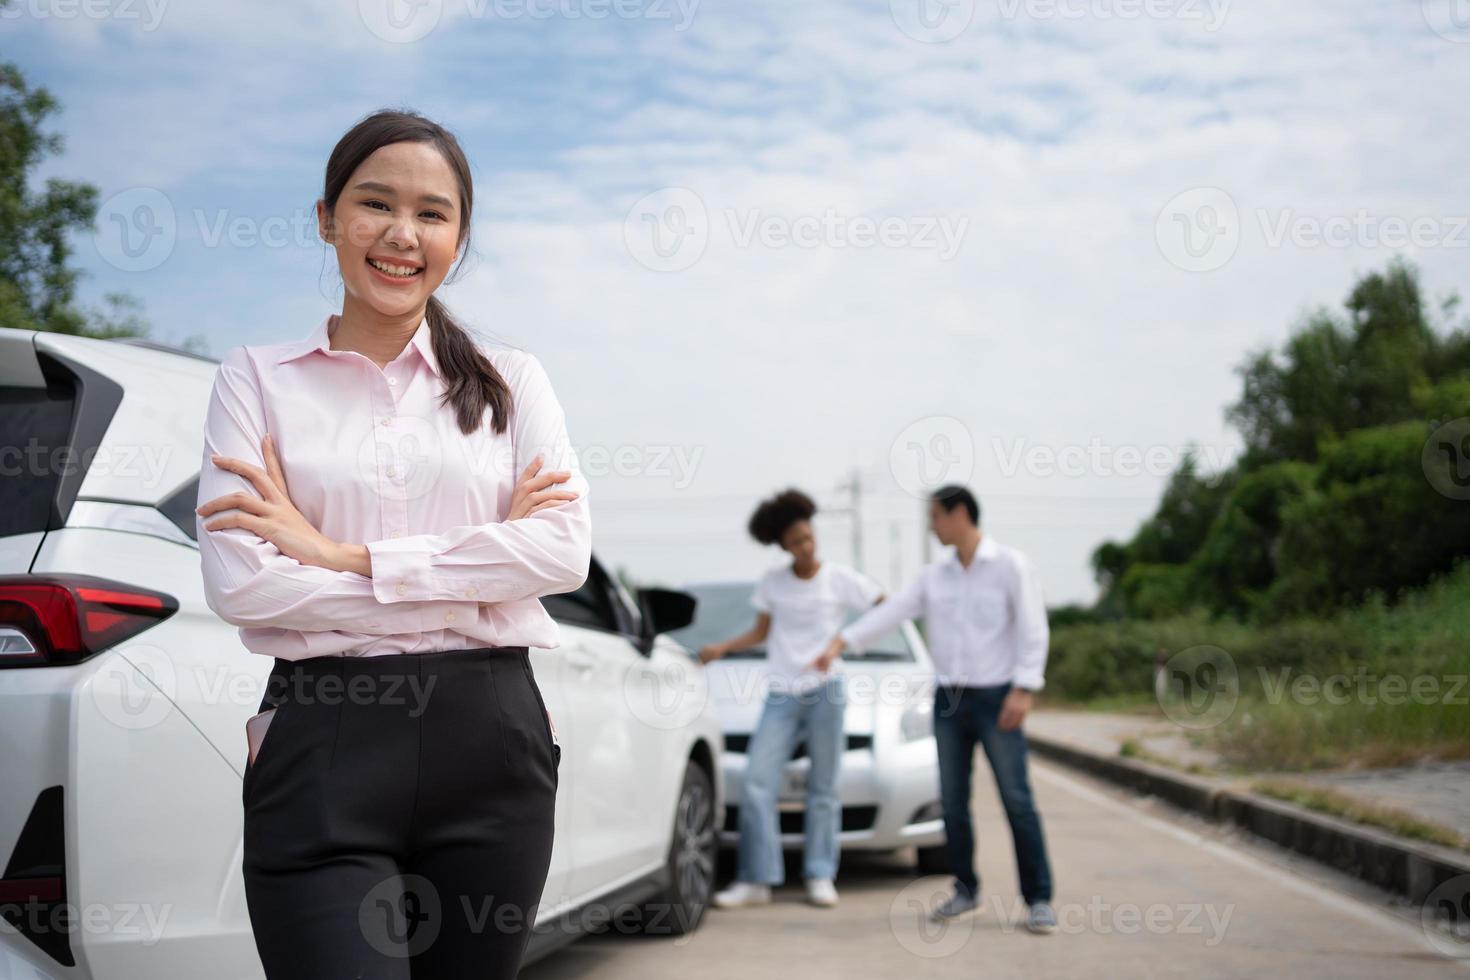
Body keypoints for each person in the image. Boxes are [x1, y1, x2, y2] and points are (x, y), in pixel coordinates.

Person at [194, 108, 591, 979]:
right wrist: (484, 569)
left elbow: (561, 554)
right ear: (327, 219)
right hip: (323, 744)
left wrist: (342, 556)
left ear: (460, 236)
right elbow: (243, 586)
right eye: (375, 204)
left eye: (433, 214)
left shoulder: (512, 381)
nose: (401, 235)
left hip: (491, 744)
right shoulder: (255, 379)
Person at [813, 484, 1057, 934]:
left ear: (959, 513)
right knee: (953, 801)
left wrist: (1024, 688)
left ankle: (1038, 897)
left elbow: (1032, 629)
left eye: (935, 517)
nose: (931, 526)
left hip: (996, 695)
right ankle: (965, 889)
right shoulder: (935, 577)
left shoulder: (1010, 566)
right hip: (949, 699)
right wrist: (842, 642)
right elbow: (893, 613)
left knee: (1016, 798)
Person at [699, 488, 884, 909]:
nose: (806, 545)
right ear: (783, 546)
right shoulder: (774, 583)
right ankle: (757, 879)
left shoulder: (840, 578)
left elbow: (884, 607)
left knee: (824, 787)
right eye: (796, 541)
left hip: (826, 692)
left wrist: (842, 642)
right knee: (757, 784)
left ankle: (820, 874)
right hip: (781, 693)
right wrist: (722, 648)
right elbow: (760, 633)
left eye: (809, 537)